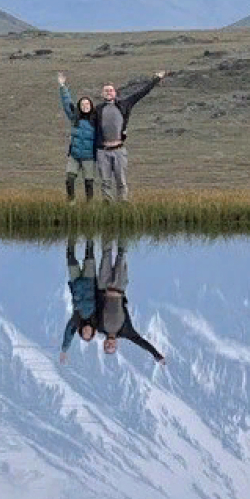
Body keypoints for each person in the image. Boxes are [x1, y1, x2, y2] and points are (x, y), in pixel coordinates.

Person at [91, 72, 167, 202]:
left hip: (119, 149)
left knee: (121, 179)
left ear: (115, 93)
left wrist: (156, 80)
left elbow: (141, 93)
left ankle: (123, 202)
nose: (108, 93)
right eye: (106, 91)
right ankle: (107, 203)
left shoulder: (125, 104)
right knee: (105, 180)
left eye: (110, 90)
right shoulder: (97, 109)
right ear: (102, 94)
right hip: (102, 151)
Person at [95, 238, 165, 364]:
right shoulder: (126, 331)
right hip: (119, 287)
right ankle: (124, 231)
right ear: (116, 345)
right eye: (112, 347)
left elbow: (90, 310)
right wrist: (157, 355)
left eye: (107, 346)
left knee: (106, 253)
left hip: (103, 286)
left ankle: (106, 226)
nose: (110, 345)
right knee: (121, 255)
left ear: (104, 343)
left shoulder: (99, 327)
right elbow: (141, 342)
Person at [58, 72, 99, 203]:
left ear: (91, 106)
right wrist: (62, 86)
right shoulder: (75, 118)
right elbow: (67, 103)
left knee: (89, 182)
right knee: (69, 178)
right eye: (82, 105)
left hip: (89, 157)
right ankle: (71, 202)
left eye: (87, 104)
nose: (85, 106)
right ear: (79, 107)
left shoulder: (96, 120)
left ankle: (90, 204)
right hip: (74, 155)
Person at [59, 235, 99, 362]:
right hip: (89, 281)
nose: (87, 332)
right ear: (93, 331)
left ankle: (71, 235)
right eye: (89, 334)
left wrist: (64, 349)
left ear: (80, 331)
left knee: (70, 258)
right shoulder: (97, 318)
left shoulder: (76, 320)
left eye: (84, 334)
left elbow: (68, 333)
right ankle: (89, 230)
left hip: (76, 283)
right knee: (89, 254)